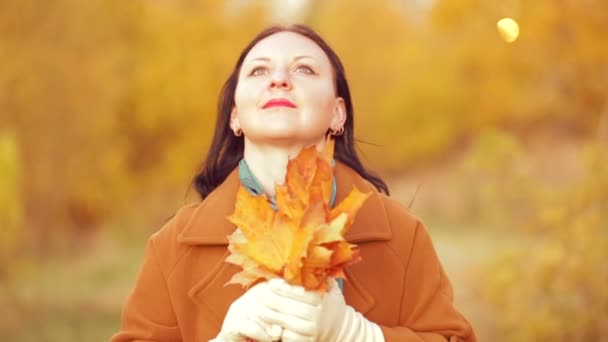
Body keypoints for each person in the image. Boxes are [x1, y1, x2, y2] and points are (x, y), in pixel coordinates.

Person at [112, 24, 476, 342]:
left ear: (338, 113)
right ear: (235, 117)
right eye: (258, 71)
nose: (279, 79)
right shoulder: (173, 248)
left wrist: (359, 336)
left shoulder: (400, 235)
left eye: (304, 68)